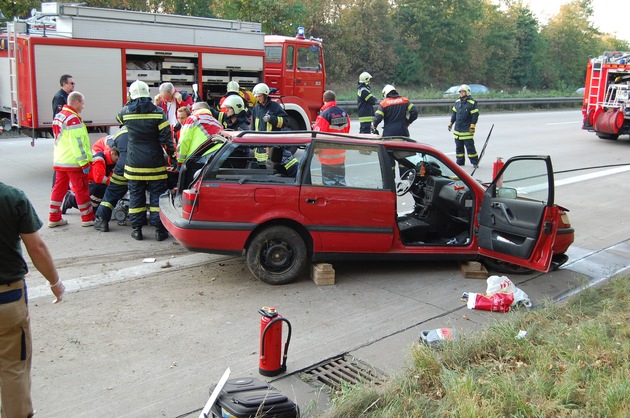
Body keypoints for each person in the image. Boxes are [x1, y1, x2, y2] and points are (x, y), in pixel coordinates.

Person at [0, 182, 65, 418]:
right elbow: (36, 247)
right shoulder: (11, 197)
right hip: (6, 299)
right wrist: (55, 283)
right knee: (12, 368)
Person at [118, 80, 176, 241]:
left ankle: (137, 230)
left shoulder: (125, 112)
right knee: (157, 196)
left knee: (136, 196)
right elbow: (167, 140)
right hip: (155, 163)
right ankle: (159, 230)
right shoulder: (159, 113)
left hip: (134, 163)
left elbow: (119, 119)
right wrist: (172, 157)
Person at [49, 91, 95, 228]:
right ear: (76, 102)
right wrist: (84, 162)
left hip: (61, 160)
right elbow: (78, 144)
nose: (83, 106)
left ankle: (54, 217)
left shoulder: (60, 116)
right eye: (82, 103)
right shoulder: (73, 119)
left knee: (59, 189)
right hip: (73, 162)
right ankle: (87, 217)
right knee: (81, 189)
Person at [62, 145, 120, 213]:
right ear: (112, 153)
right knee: (101, 188)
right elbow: (99, 178)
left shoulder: (111, 162)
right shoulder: (100, 160)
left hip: (86, 182)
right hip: (80, 183)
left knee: (104, 188)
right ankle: (71, 200)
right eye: (118, 157)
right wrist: (116, 181)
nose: (119, 160)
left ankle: (94, 207)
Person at [94, 127, 130, 233]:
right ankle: (153, 225)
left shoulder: (121, 132)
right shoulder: (152, 124)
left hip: (125, 164)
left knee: (112, 192)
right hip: (148, 164)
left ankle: (102, 220)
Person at [313, 90, 350, 185]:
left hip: (327, 159)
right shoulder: (344, 114)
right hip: (341, 157)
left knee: (329, 186)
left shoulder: (324, 115)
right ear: (334, 99)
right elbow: (347, 132)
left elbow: (318, 137)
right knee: (341, 184)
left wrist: (315, 150)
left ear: (324, 99)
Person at [251, 83, 290, 164]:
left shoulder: (275, 106)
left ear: (265, 95)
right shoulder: (256, 108)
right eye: (257, 96)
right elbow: (253, 127)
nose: (258, 98)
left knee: (271, 167)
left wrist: (272, 119)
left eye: (260, 96)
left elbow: (285, 121)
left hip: (272, 146)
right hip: (259, 146)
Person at [448, 84, 480, 166]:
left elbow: (475, 116)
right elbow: (454, 114)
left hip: (466, 130)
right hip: (457, 130)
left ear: (467, 92)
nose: (461, 93)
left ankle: (475, 162)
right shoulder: (457, 102)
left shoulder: (472, 103)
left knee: (470, 148)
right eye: (460, 92)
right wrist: (451, 123)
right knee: (459, 148)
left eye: (463, 92)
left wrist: (473, 125)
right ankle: (460, 162)